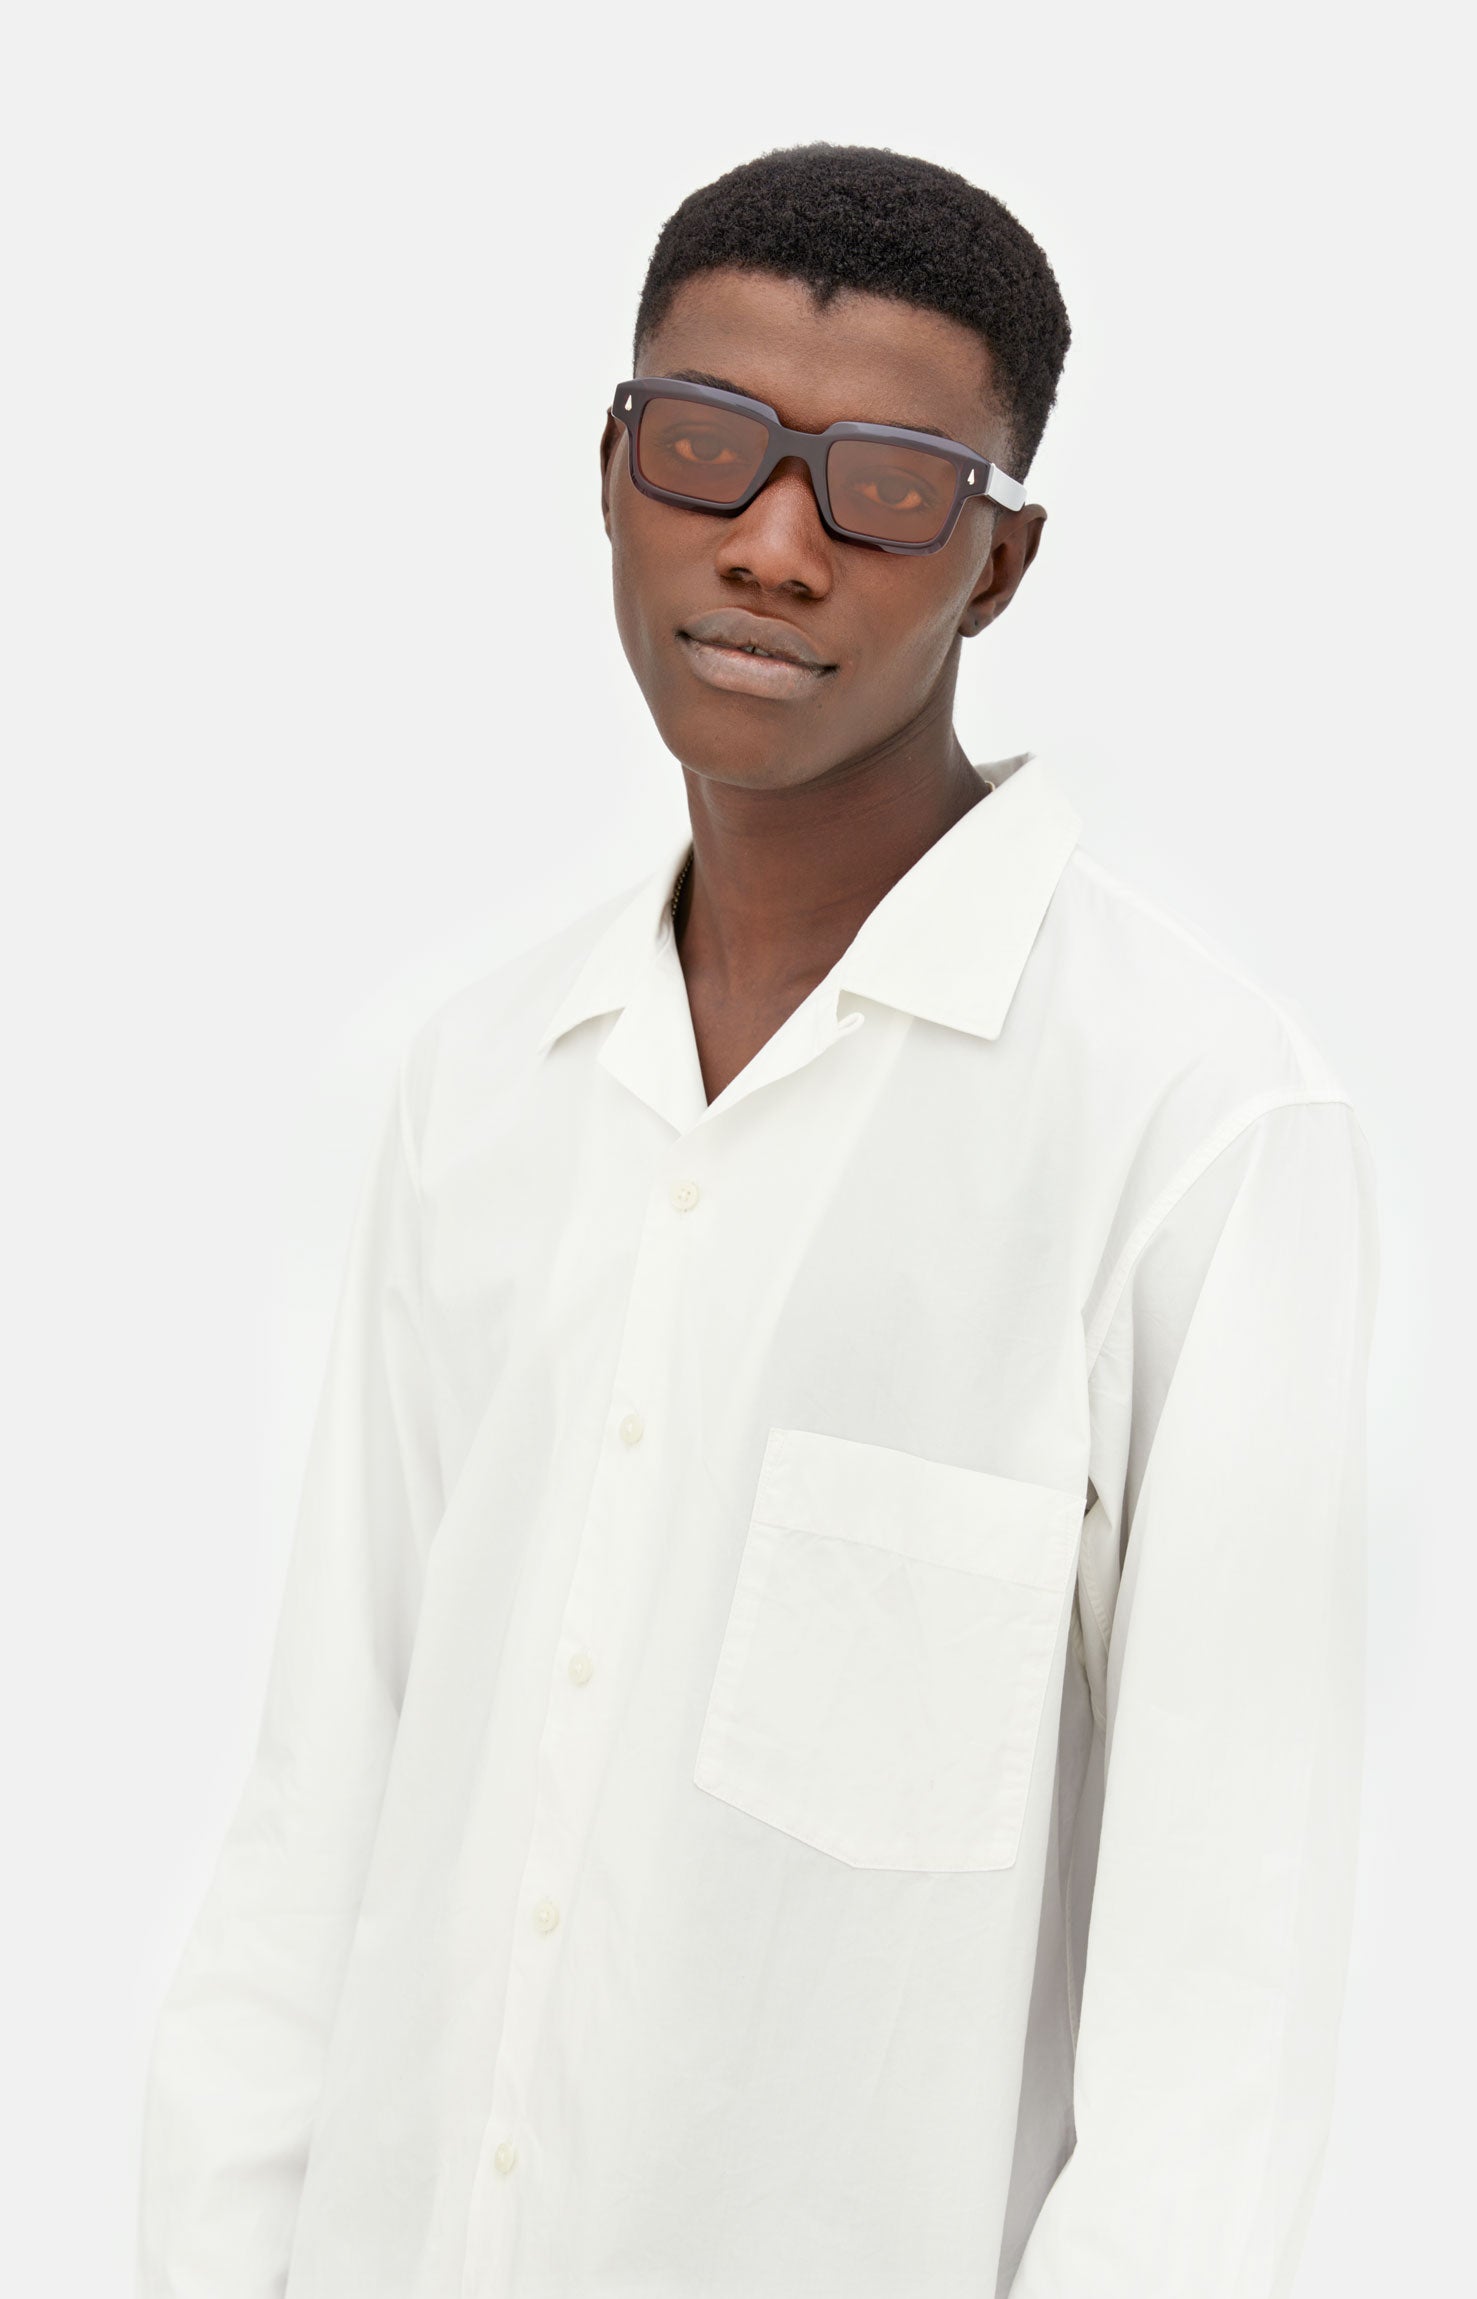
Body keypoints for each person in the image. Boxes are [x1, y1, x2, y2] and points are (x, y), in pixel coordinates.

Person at [137, 143, 1380, 2299]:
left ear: (997, 562)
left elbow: (1219, 2023)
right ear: (615, 469)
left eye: (884, 487)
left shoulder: (1188, 1121)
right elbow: (316, 1816)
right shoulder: (483, 1081)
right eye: (708, 447)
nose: (774, 544)